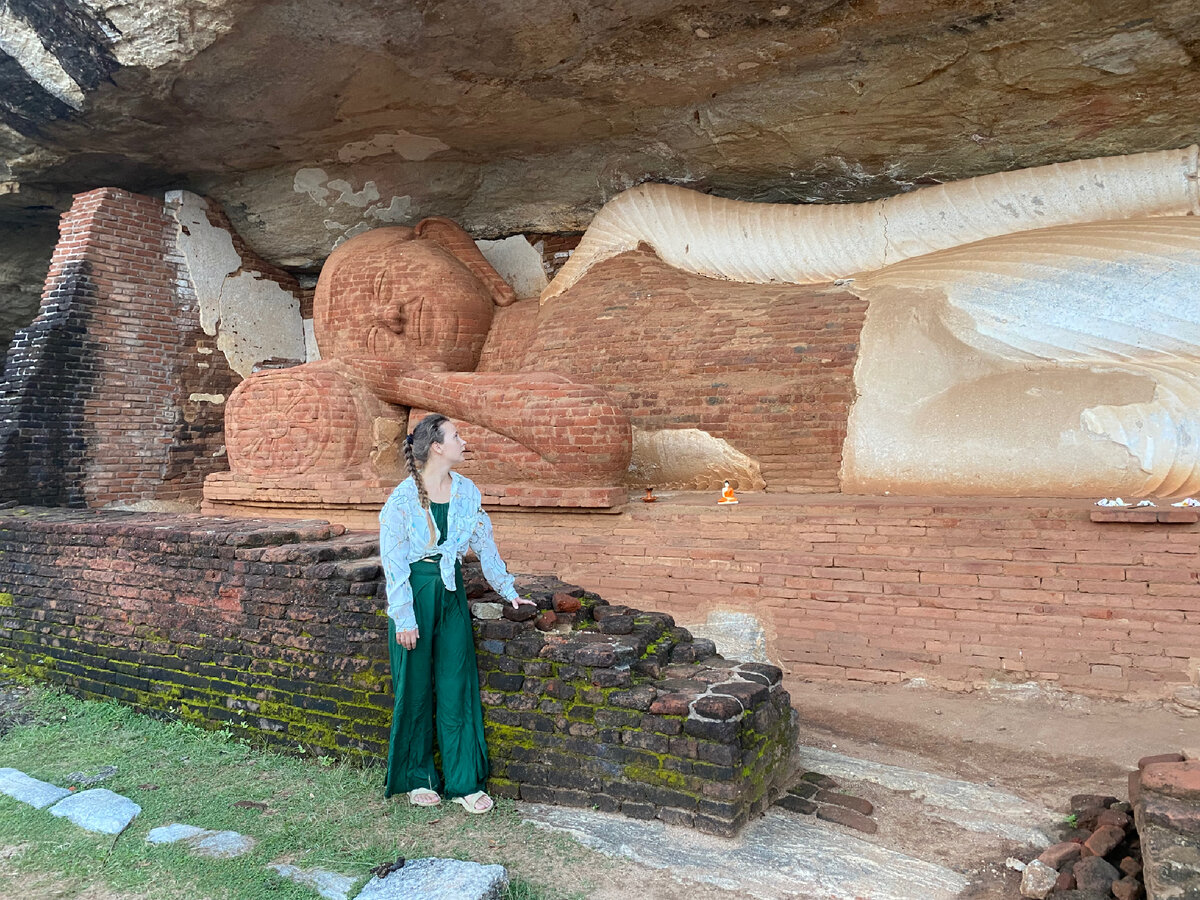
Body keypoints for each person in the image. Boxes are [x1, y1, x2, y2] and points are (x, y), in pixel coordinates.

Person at [378, 414, 535, 813]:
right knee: (414, 687)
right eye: (457, 436)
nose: (464, 442)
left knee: (457, 683)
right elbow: (393, 563)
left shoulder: (467, 492)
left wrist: (509, 591)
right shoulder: (401, 500)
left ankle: (464, 780)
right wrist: (404, 617)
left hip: (451, 597)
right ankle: (417, 776)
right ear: (437, 447)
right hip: (415, 594)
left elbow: (485, 544)